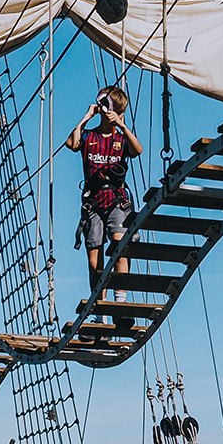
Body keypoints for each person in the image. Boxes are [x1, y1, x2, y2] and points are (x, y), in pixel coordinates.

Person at [64, 86, 143, 291]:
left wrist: (123, 127)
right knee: (94, 261)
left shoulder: (121, 139)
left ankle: (121, 300)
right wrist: (86, 117)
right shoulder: (89, 136)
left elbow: (137, 150)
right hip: (93, 200)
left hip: (116, 198)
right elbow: (72, 144)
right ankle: (99, 307)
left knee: (119, 247)